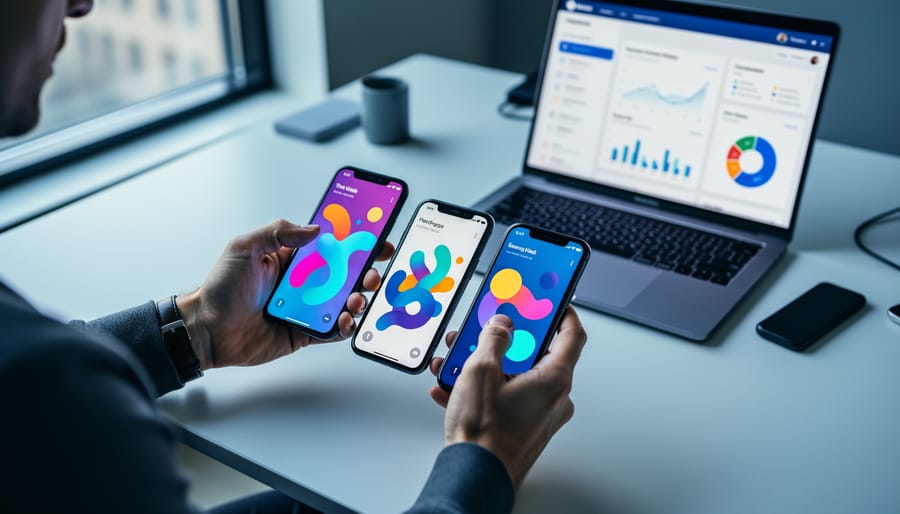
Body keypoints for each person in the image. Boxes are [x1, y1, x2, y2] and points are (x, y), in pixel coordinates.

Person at [0, 1, 588, 513]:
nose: (81, 5)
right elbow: (44, 384)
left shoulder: (44, 372)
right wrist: (484, 461)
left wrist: (203, 328)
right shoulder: (47, 389)